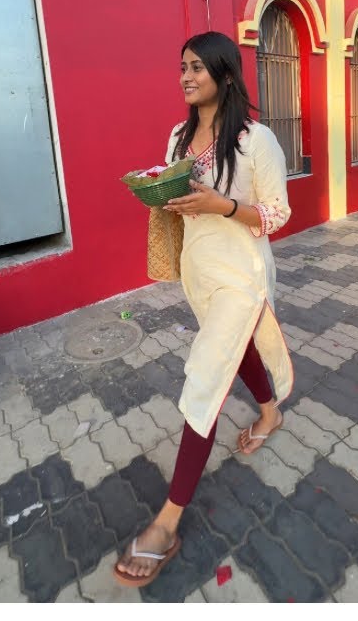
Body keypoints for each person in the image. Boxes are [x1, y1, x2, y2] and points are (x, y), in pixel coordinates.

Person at [113, 31, 294, 586]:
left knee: (203, 380)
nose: (185, 76)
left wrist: (225, 205)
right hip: (199, 272)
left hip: (242, 276)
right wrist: (160, 193)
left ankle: (167, 522)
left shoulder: (255, 140)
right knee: (234, 356)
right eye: (182, 66)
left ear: (225, 73)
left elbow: (278, 213)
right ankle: (270, 412)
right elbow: (177, 194)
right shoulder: (178, 135)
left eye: (196, 67)